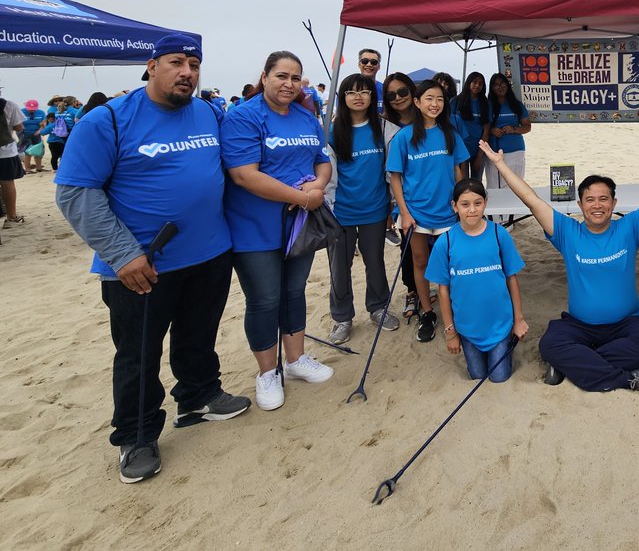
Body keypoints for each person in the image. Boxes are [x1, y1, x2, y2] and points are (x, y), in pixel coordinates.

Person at [54, 34, 250, 484]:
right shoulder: (108, 121)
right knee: (138, 353)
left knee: (198, 334)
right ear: (152, 65)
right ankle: (137, 435)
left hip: (209, 254)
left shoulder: (208, 112)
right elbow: (75, 193)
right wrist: (123, 254)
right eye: (177, 62)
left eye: (195, 64)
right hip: (142, 265)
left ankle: (199, 395)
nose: (187, 72)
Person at [478, 137, 639, 393]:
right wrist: (500, 165)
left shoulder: (629, 228)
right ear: (580, 204)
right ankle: (632, 380)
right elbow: (531, 199)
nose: (598, 205)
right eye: (590, 199)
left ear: (614, 204)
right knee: (550, 344)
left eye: (604, 199)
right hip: (580, 326)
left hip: (626, 324)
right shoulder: (567, 232)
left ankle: (573, 364)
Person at [221, 51, 334, 412]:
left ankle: (296, 359)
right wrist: (303, 198)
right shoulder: (243, 116)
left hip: (299, 225)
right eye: (281, 76)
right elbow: (243, 174)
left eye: (295, 78)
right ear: (265, 76)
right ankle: (267, 372)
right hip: (254, 227)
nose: (289, 84)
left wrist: (316, 187)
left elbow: (322, 160)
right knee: (265, 299)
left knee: (293, 291)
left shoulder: (305, 116)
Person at [387, 79, 470, 343]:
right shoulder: (403, 137)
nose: (434, 104)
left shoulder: (450, 134)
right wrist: (404, 212)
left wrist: (462, 205)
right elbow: (396, 177)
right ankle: (427, 312)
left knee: (451, 263)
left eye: (440, 99)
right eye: (429, 99)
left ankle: (455, 311)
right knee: (420, 261)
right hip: (416, 213)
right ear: (417, 102)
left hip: (447, 212)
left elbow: (460, 172)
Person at [425, 179, 529, 382]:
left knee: (499, 377)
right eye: (465, 204)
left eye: (478, 203)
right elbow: (443, 289)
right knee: (477, 375)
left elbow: (511, 278)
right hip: (467, 328)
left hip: (500, 325)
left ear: (485, 203)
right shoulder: (445, 242)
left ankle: (505, 346)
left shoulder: (499, 235)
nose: (472, 210)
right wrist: (450, 331)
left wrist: (518, 319)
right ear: (454, 206)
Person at [326, 74, 396, 345]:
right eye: (352, 92)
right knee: (339, 267)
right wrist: (328, 209)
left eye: (364, 92)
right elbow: (327, 176)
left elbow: (392, 171)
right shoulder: (332, 130)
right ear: (343, 97)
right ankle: (342, 317)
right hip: (341, 213)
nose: (358, 97)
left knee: (375, 262)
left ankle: (378, 307)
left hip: (375, 210)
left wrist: (391, 205)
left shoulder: (384, 129)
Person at [381, 71, 420, 316]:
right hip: (400, 198)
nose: (398, 98)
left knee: (435, 248)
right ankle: (412, 291)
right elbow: (384, 168)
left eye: (403, 92)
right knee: (408, 249)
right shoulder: (384, 125)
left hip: (431, 195)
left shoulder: (427, 117)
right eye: (391, 94)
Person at [484, 73, 531, 189]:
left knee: (516, 187)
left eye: (502, 83)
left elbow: (527, 127)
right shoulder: (487, 105)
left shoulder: (517, 105)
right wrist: (492, 131)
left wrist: (514, 129)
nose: (500, 87)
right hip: (494, 152)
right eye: (496, 85)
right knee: (494, 187)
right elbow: (481, 126)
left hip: (515, 151)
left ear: (507, 85)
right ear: (492, 88)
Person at [454, 71, 491, 181]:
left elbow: (486, 129)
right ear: (468, 82)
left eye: (481, 83)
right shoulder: (456, 102)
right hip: (460, 149)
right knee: (462, 183)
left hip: (477, 150)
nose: (477, 85)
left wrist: (480, 156)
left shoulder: (485, 103)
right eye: (474, 82)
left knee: (476, 182)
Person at [0, 94, 26, 225]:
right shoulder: (8, 105)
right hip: (5, 152)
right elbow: (19, 127)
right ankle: (11, 217)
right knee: (7, 183)